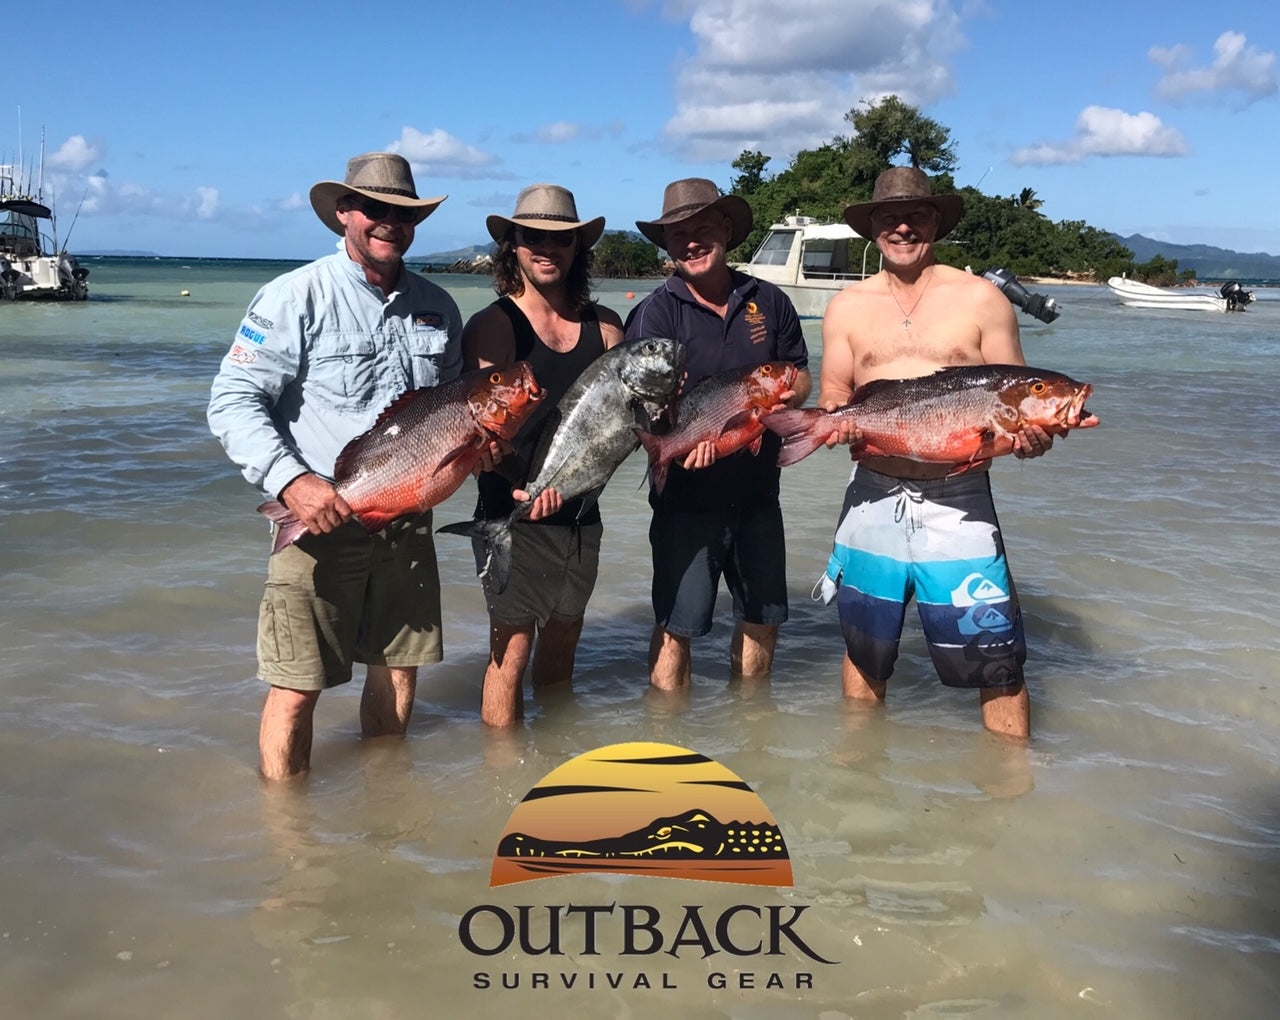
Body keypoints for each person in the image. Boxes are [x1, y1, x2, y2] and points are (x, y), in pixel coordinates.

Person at [208, 152, 468, 780]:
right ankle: (289, 842)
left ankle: (383, 813)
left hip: (406, 526)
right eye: (375, 209)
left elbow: (454, 407)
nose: (389, 223)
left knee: (397, 669)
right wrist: (292, 483)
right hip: (316, 522)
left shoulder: (440, 307)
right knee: (298, 685)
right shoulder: (294, 295)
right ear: (344, 214)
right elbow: (232, 399)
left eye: (403, 213)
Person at [819, 165, 1075, 739]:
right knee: (866, 649)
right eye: (889, 217)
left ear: (937, 221)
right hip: (872, 498)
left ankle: (1011, 796)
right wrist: (836, 427)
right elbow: (836, 395)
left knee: (997, 658)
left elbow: (1018, 403)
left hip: (960, 499)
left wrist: (1028, 443)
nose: (903, 227)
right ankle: (860, 789)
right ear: (873, 227)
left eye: (916, 216)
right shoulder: (847, 306)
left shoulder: (982, 298)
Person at [625, 178, 811, 691]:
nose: (690, 241)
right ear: (666, 244)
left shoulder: (769, 301)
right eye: (678, 233)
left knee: (762, 619)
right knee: (675, 628)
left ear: (725, 230)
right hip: (686, 499)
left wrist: (786, 396)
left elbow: (799, 371)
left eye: (701, 228)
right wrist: (671, 443)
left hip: (758, 496)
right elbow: (640, 408)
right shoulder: (654, 313)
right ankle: (667, 738)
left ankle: (750, 733)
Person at [460, 184, 625, 727]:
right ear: (514, 245)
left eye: (561, 238)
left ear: (579, 247)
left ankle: (556, 766)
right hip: (509, 517)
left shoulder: (605, 328)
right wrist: (523, 488)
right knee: (510, 656)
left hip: (582, 518)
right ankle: (501, 787)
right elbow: (478, 429)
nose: (546, 247)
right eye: (534, 236)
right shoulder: (494, 325)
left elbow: (621, 424)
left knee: (564, 642)